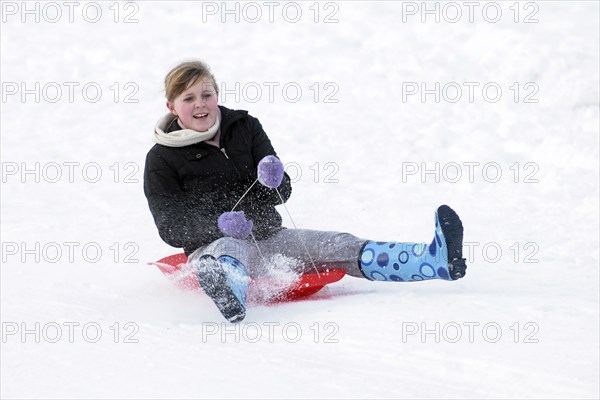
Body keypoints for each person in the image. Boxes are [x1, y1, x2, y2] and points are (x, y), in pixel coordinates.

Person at [144, 60, 467, 323]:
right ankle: (229, 292)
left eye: (206, 94)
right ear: (172, 106)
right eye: (189, 98)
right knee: (229, 249)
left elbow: (281, 192)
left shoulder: (244, 127)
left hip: (269, 236)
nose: (200, 104)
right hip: (210, 248)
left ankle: (434, 259)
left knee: (339, 243)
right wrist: (219, 226)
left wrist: (274, 179)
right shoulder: (161, 158)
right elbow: (170, 226)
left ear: (217, 94)